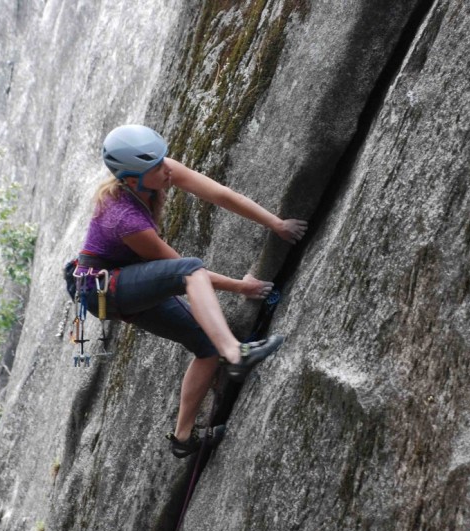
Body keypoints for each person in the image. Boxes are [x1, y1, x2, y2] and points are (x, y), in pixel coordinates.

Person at [72, 124, 307, 458]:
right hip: (102, 288)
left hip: (125, 278)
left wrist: (275, 223)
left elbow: (221, 195)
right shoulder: (124, 220)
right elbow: (184, 270)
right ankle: (235, 354)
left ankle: (183, 439)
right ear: (131, 178)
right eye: (155, 167)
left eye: (162, 160)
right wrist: (241, 286)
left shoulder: (158, 170)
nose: (166, 168)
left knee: (206, 345)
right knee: (190, 269)